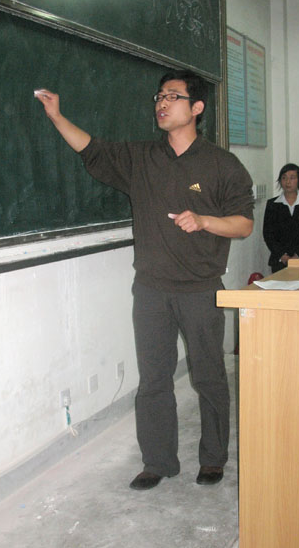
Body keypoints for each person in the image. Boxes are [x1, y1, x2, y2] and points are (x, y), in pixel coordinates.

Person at [36, 70, 254, 490]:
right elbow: (92, 149)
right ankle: (157, 461)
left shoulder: (222, 164)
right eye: (159, 96)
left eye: (173, 96)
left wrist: (205, 220)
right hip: (151, 290)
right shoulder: (141, 158)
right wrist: (57, 117)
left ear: (197, 107)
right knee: (153, 380)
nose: (162, 103)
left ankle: (213, 458)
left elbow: (243, 224)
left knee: (208, 376)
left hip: (201, 289)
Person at [263, 163, 299, 273]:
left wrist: (298, 255)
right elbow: (268, 234)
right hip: (280, 260)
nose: (288, 182)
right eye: (284, 178)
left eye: (292, 178)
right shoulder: (272, 204)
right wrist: (283, 255)